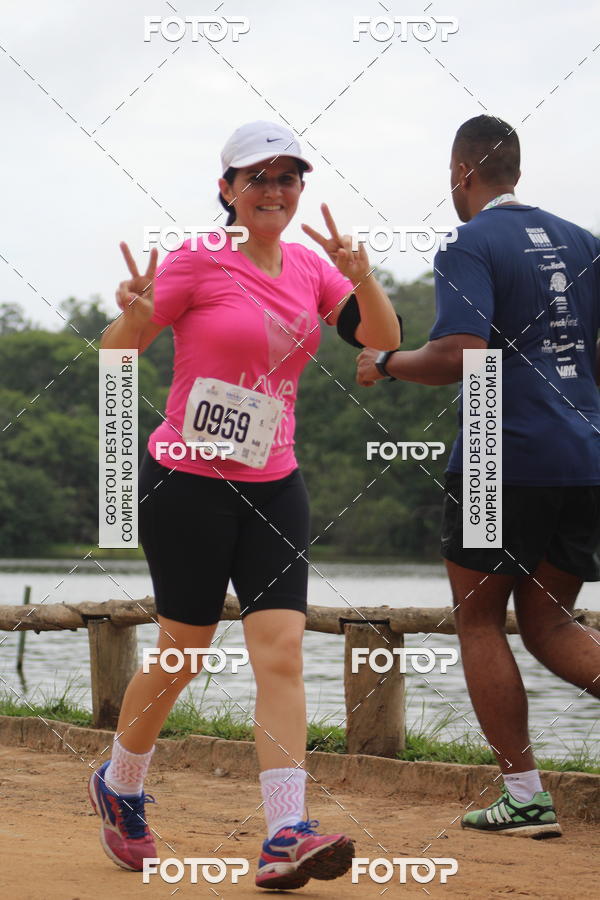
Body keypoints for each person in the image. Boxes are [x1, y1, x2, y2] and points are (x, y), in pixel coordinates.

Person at [90, 120, 400, 888]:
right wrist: (134, 309)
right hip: (188, 484)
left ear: (300, 191)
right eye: (257, 177)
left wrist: (362, 275)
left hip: (275, 482)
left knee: (282, 651)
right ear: (227, 189)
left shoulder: (307, 268)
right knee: (184, 654)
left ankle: (285, 832)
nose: (274, 189)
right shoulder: (196, 261)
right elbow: (114, 352)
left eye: (288, 177)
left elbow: (381, 344)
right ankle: (121, 781)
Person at [357, 114, 600, 838]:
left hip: (502, 454)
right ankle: (523, 792)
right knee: (549, 621)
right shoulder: (586, 243)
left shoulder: (469, 243)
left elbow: (462, 353)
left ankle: (524, 794)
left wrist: (387, 364)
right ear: (514, 171)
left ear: (462, 174)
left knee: (479, 619)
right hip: (585, 454)